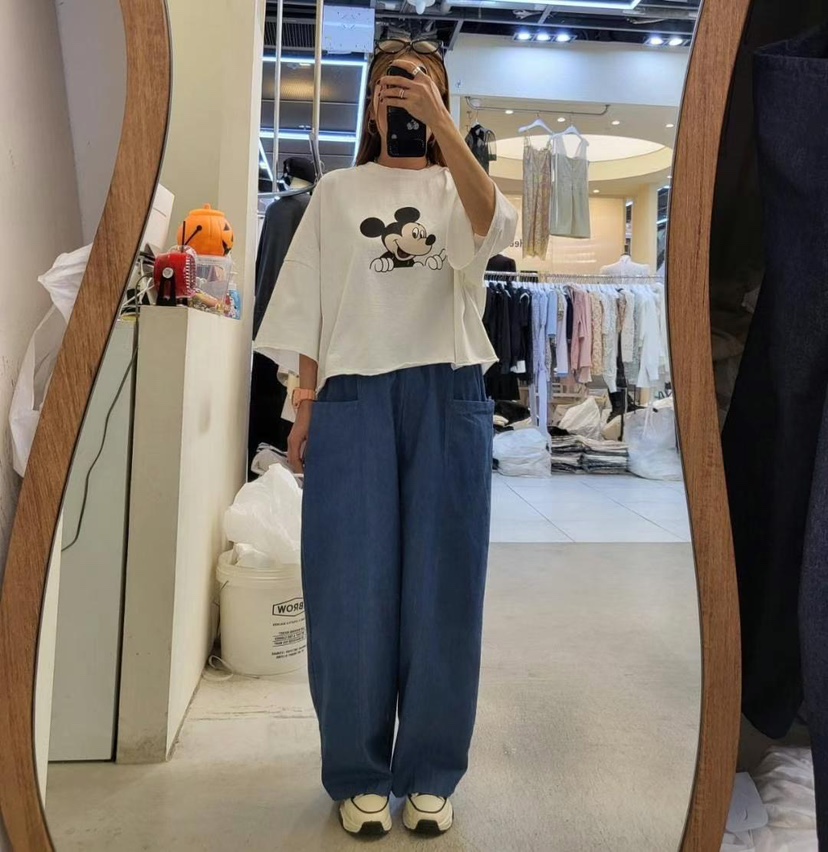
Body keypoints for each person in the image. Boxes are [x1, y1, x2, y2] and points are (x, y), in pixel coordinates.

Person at [257, 34, 517, 837]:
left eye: (421, 82)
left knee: (446, 589)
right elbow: (310, 301)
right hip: (352, 397)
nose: (403, 92)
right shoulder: (336, 193)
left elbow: (495, 229)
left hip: (448, 389)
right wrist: (304, 402)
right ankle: (359, 772)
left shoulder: (459, 186)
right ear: (371, 107)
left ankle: (432, 770)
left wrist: (445, 129)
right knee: (349, 588)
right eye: (391, 84)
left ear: (443, 98)